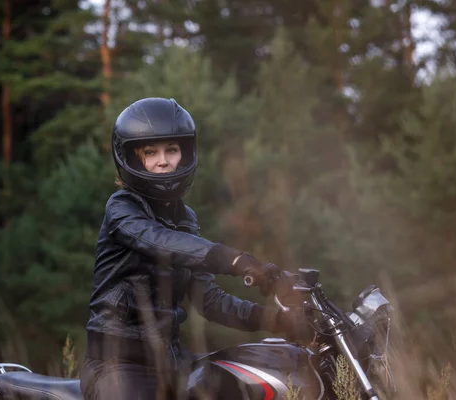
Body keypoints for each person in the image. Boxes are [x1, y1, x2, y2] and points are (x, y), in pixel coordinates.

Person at [80, 97, 303, 400]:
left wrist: (275, 319)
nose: (163, 160)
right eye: (151, 152)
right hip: (117, 365)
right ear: (132, 158)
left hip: (170, 362)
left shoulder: (184, 218)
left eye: (171, 149)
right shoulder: (121, 208)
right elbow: (159, 241)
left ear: (184, 153)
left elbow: (209, 300)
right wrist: (236, 260)